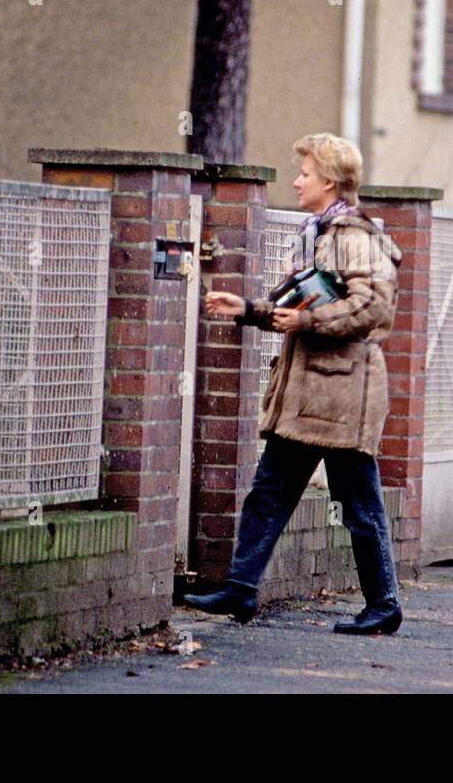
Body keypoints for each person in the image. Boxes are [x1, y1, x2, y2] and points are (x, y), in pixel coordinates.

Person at [185, 132, 405, 635]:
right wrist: (249, 311)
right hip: (307, 395)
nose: (298, 180)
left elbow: (373, 306)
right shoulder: (317, 233)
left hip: (343, 395)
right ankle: (241, 591)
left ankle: (384, 604)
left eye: (305, 172)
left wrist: (305, 324)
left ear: (329, 180)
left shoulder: (355, 236)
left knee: (359, 505)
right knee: (269, 493)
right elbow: (299, 307)